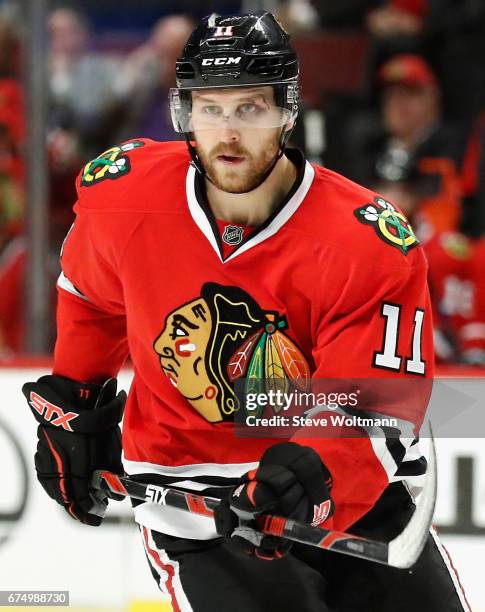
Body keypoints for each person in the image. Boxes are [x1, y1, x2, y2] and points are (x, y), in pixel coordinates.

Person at [22, 13, 469, 611]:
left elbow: (378, 396)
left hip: (352, 492)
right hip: (191, 494)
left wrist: (315, 471)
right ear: (185, 112)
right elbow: (91, 295)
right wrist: (76, 398)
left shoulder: (365, 240)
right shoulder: (123, 198)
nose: (228, 134)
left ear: (286, 111)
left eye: (250, 109)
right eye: (211, 109)